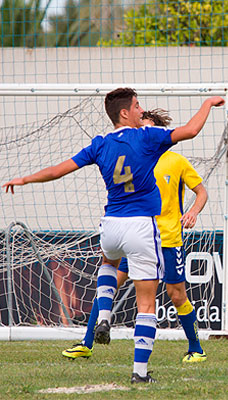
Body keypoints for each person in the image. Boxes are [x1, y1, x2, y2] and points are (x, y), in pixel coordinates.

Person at [3, 89, 224, 383]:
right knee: (147, 304)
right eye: (136, 105)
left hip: (110, 225)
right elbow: (192, 129)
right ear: (125, 113)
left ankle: (104, 315)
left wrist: (25, 178)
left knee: (108, 266)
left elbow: (59, 170)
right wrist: (208, 103)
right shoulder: (147, 137)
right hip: (141, 227)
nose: (140, 109)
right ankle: (140, 373)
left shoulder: (100, 144)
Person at [62, 109, 209, 364]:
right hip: (137, 237)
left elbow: (201, 192)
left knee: (177, 295)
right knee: (109, 285)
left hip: (166, 240)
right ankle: (87, 343)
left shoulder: (176, 162)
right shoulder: (134, 157)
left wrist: (193, 212)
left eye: (146, 128)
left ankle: (195, 348)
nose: (141, 132)